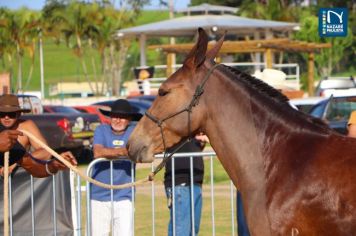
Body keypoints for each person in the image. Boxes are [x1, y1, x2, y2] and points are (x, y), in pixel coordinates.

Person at [90, 99, 142, 236]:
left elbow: (139, 151)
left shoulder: (134, 132)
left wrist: (112, 152)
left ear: (129, 119)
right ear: (110, 117)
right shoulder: (101, 130)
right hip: (99, 196)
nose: (118, 120)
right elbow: (98, 152)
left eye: (123, 117)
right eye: (114, 116)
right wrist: (125, 152)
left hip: (124, 196)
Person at [0, 94, 77, 177]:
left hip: (20, 185)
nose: (6, 117)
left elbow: (46, 151)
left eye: (11, 114)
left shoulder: (26, 126)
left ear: (18, 114)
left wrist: (16, 162)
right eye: (2, 114)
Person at [164, 133, 208, 236]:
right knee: (181, 230)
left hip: (196, 181)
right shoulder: (175, 123)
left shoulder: (192, 130)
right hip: (180, 181)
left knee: (192, 230)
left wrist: (199, 141)